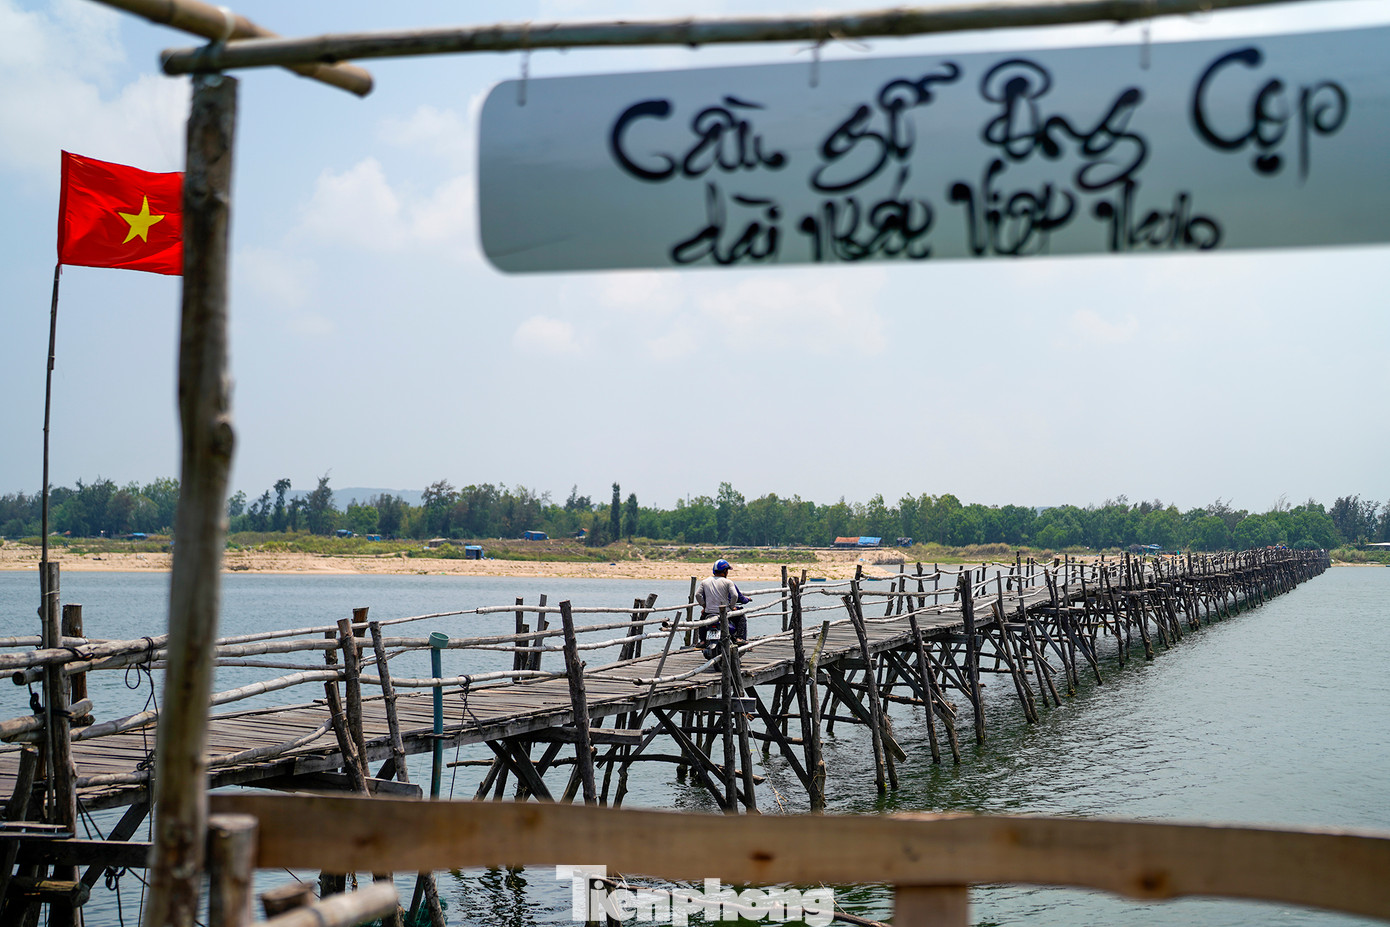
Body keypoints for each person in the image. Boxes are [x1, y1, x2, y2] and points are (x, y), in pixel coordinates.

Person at [695, 559, 748, 649]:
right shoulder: (728, 582)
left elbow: (697, 595)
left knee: (702, 621)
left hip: (709, 612)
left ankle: (703, 640)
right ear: (724, 571)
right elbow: (735, 595)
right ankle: (739, 638)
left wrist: (704, 605)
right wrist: (731, 606)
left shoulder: (705, 581)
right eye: (727, 570)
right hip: (724, 612)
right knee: (741, 616)